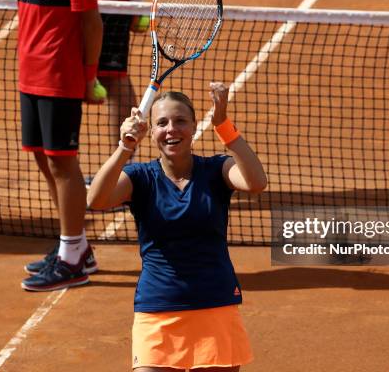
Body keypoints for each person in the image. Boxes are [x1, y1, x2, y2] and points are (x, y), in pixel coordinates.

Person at [87, 82, 268, 371]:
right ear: (151, 131)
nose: (171, 129)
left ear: (195, 126)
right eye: (162, 123)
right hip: (157, 308)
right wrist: (124, 147)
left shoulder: (216, 170)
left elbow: (256, 182)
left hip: (215, 306)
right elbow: (96, 199)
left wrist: (223, 125)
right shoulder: (141, 177)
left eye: (180, 121)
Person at [15, 0, 103, 291]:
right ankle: (76, 244)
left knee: (62, 162)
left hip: (60, 77)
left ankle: (71, 260)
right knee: (42, 158)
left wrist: (89, 75)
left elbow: (92, 22)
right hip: (30, 75)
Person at [87, 0, 144, 151]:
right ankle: (123, 164)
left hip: (104, 1)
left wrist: (136, 2)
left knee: (113, 79)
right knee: (115, 78)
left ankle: (121, 166)